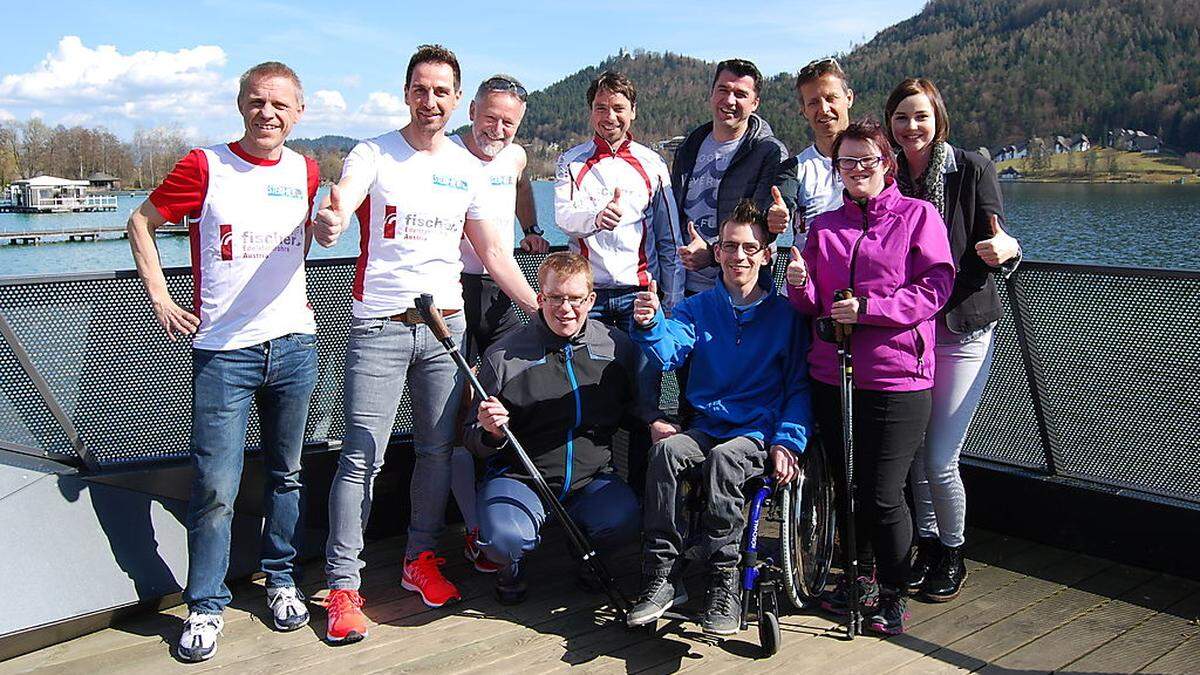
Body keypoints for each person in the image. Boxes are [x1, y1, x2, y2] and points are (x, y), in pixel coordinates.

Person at [312, 45, 538, 645]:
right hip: (379, 326)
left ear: (455, 100)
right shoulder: (373, 153)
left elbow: (494, 253)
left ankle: (420, 560)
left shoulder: (467, 168)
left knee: (438, 451)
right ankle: (343, 585)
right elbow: (344, 198)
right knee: (363, 454)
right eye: (421, 88)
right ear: (406, 92)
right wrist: (332, 218)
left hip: (447, 329)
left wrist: (542, 310)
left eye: (442, 91)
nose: (431, 100)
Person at [126, 61, 319, 662]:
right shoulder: (205, 165)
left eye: (281, 105)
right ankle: (205, 605)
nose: (269, 114)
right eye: (258, 102)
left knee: (288, 474)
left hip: (294, 345)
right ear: (241, 105)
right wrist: (160, 297)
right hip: (223, 354)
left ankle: (281, 580)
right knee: (215, 487)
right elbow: (141, 221)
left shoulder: (307, 170)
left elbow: (321, 233)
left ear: (299, 113)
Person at [786, 119, 954, 635]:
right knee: (846, 486)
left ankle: (893, 592)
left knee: (883, 493)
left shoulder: (918, 216)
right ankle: (855, 577)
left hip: (897, 376)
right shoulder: (825, 226)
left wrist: (870, 310)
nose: (857, 170)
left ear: (888, 164)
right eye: (847, 162)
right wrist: (798, 285)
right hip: (831, 374)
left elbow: (936, 285)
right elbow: (814, 302)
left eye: (867, 160)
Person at [626, 200, 811, 637]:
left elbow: (799, 387)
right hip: (707, 424)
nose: (738, 256)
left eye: (749, 247)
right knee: (668, 452)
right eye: (729, 246)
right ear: (718, 251)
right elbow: (669, 351)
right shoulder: (696, 307)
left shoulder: (786, 316)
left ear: (767, 254)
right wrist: (652, 324)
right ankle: (663, 575)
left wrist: (789, 441)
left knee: (727, 460)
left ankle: (724, 580)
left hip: (756, 431)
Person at [885, 78, 1021, 602]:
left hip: (963, 328)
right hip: (908, 333)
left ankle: (953, 550)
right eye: (901, 117)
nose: (911, 127)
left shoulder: (970, 168)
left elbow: (1000, 235)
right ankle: (925, 541)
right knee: (916, 451)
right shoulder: (891, 175)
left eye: (920, 116)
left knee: (941, 455)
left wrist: (1005, 247)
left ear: (937, 117)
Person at [463, 252, 651, 604]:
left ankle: (587, 557)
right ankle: (511, 566)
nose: (566, 308)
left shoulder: (616, 347)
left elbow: (634, 410)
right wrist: (491, 433)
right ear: (540, 298)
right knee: (505, 539)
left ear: (591, 300)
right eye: (556, 298)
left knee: (624, 520)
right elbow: (473, 440)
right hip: (521, 479)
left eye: (576, 299)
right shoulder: (503, 357)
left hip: (590, 479)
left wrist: (657, 422)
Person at [553, 70, 684, 485]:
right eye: (600, 107)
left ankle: (643, 498)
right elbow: (562, 217)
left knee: (645, 401)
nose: (609, 116)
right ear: (591, 111)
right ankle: (593, 490)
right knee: (591, 399)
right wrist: (594, 217)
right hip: (587, 302)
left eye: (618, 108)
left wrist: (672, 302)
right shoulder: (570, 161)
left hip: (638, 298)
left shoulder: (652, 163)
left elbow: (668, 239)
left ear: (633, 112)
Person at [446, 73, 549, 577]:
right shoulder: (445, 159)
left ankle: (508, 512)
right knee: (462, 415)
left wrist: (531, 229)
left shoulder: (515, 155)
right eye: (490, 118)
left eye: (509, 122)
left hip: (501, 293)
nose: (499, 129)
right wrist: (541, 307)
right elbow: (488, 251)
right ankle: (475, 530)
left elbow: (521, 182)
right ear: (471, 111)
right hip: (458, 289)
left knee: (506, 401)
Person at [670, 58, 796, 293]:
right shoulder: (689, 147)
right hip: (684, 286)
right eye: (723, 90)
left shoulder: (768, 152)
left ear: (755, 102)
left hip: (739, 289)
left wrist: (712, 255)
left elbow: (759, 225)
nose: (729, 100)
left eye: (740, 94)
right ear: (711, 94)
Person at [771, 58, 856, 245]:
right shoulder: (794, 169)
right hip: (810, 272)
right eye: (814, 103)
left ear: (849, 98)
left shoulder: (877, 162)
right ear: (803, 110)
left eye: (831, 98)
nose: (824, 109)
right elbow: (782, 203)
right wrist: (776, 216)